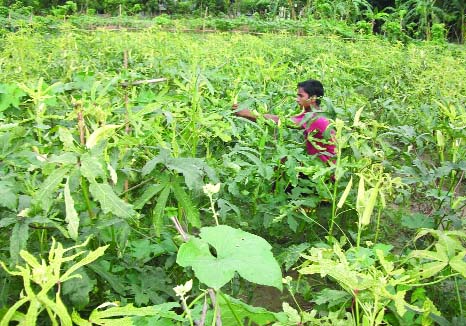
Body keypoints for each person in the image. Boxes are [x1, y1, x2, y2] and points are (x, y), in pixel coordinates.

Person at [232, 79, 335, 163]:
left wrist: (250, 114)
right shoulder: (310, 114)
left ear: (313, 98)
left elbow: (283, 121)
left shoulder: (316, 118)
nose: (297, 99)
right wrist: (248, 115)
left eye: (301, 96)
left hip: (326, 170)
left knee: (283, 163)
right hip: (317, 163)